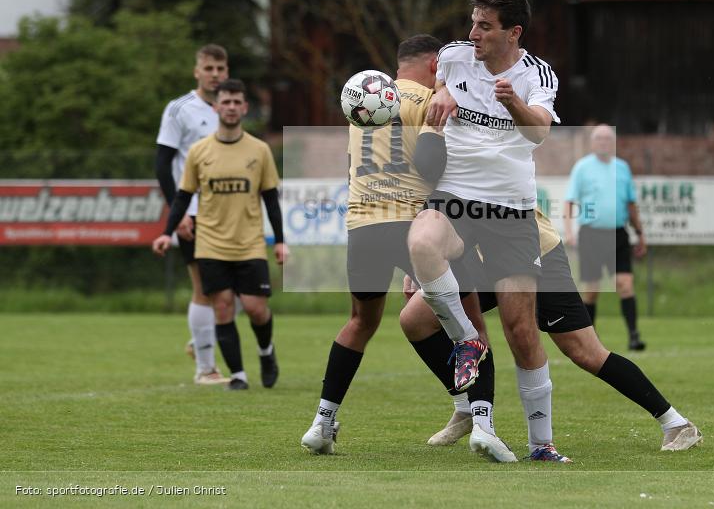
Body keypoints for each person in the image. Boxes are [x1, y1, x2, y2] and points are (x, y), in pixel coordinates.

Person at [299, 35, 509, 460]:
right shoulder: (431, 102)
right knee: (470, 325)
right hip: (413, 225)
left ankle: (322, 422)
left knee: (360, 322)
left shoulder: (362, 105)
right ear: (435, 63)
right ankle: (482, 424)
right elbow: (435, 169)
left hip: (362, 225)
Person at [407, 0, 570, 462]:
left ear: (512, 33)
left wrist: (511, 102)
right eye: (473, 22)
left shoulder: (536, 74)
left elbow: (538, 130)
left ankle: (542, 445)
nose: (472, 32)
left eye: (484, 25)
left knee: (522, 330)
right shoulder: (455, 56)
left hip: (511, 209)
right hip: (455, 196)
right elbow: (443, 82)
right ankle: (468, 340)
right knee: (420, 243)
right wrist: (441, 94)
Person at [401, 209, 703, 452]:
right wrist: (419, 264)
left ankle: (675, 422)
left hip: (533, 249)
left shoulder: (485, 139)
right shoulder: (436, 139)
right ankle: (466, 407)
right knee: (415, 319)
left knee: (584, 351)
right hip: (477, 257)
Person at [152, 79, 287, 391]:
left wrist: (279, 240)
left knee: (256, 308)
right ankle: (238, 374)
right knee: (223, 306)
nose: (230, 107)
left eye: (236, 102)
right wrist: (166, 232)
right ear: (216, 108)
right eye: (225, 102)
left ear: (244, 107)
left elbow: (270, 199)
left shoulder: (260, 150)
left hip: (249, 243)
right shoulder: (199, 152)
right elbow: (183, 196)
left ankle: (266, 352)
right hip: (210, 243)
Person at [155, 44, 230, 384]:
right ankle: (206, 369)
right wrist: (179, 211)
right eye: (209, 68)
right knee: (204, 289)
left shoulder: (232, 108)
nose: (215, 74)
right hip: (195, 213)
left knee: (244, 290)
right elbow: (162, 165)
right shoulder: (179, 109)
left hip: (231, 214)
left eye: (220, 68)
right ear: (197, 71)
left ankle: (202, 338)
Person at [564, 124, 648, 351]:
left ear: (613, 142)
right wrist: (569, 231)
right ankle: (590, 340)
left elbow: (631, 204)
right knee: (592, 290)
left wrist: (640, 233)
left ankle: (633, 335)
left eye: (607, 138)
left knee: (625, 284)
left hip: (619, 234)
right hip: (592, 234)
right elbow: (569, 201)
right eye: (599, 138)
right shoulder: (582, 168)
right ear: (592, 143)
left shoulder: (622, 168)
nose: (603, 142)